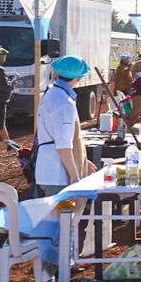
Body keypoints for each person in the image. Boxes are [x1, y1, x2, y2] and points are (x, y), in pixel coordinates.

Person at [35, 55, 96, 197]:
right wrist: (74, 177)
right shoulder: (64, 102)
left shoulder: (52, 94)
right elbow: (63, 145)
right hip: (58, 175)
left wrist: (82, 160)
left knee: (60, 217)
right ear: (79, 78)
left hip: (50, 171)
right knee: (65, 218)